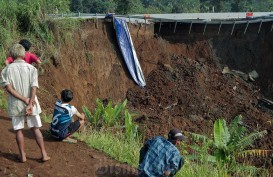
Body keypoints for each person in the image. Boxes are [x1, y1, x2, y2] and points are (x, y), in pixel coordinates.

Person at [0, 43, 50, 163]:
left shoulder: (6, 70)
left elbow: (9, 88)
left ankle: (22, 156)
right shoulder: (32, 69)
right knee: (35, 128)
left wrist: (24, 100)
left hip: (16, 104)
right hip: (32, 105)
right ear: (23, 54)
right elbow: (34, 87)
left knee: (18, 130)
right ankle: (44, 154)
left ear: (11, 55)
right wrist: (30, 102)